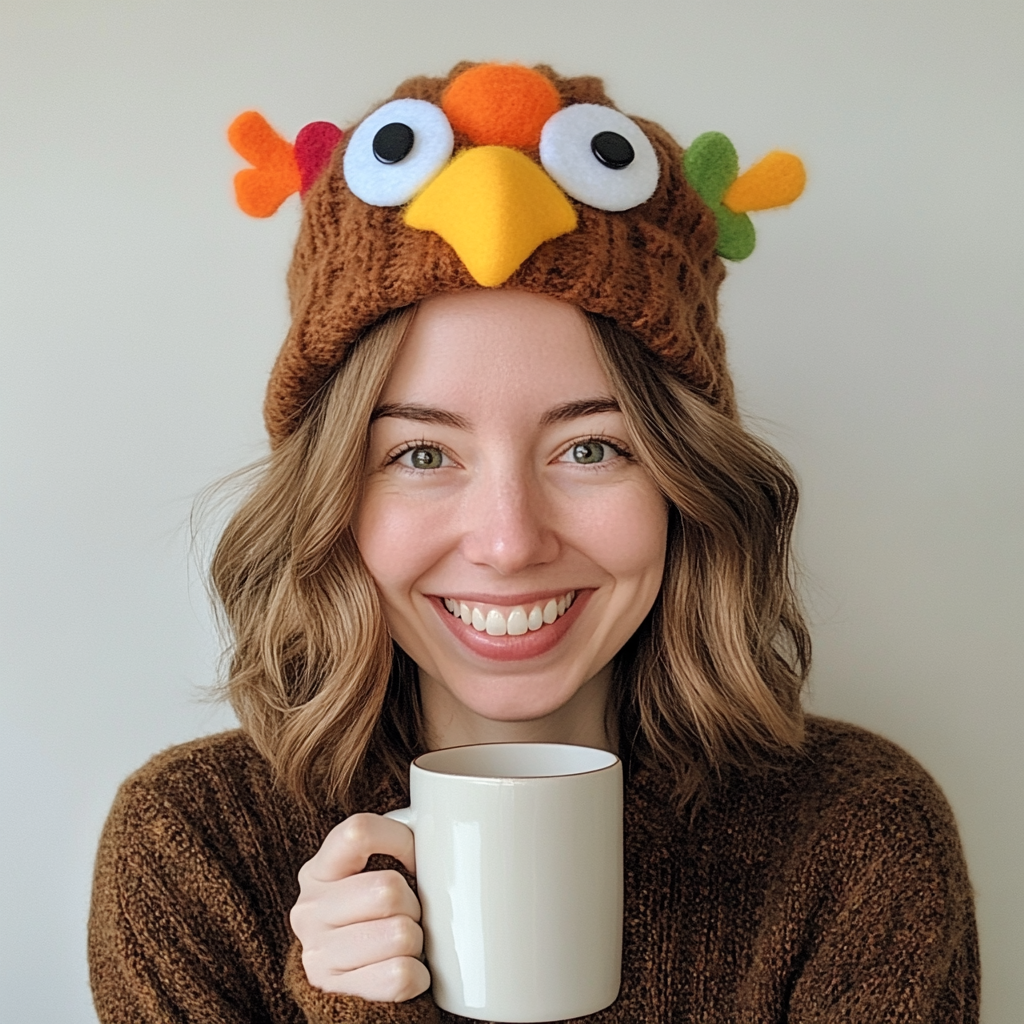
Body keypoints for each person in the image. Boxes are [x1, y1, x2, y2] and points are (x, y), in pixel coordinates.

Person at [88, 61, 979, 1023]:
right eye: (421, 453)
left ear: (687, 483)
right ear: (332, 497)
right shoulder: (194, 847)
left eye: (590, 448)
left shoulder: (855, 837)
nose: (509, 543)